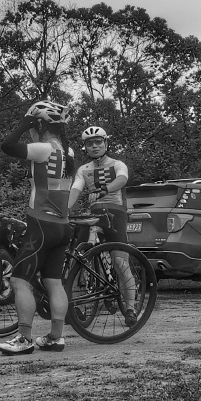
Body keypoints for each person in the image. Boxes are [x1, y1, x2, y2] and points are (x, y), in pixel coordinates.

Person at [0, 101, 76, 355]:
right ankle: (55, 337)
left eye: (34, 126)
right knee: (54, 282)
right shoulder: (69, 151)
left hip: (41, 224)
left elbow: (7, 146)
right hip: (62, 225)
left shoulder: (43, 149)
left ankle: (24, 338)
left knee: (20, 281)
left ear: (39, 125)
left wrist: (24, 124)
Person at [66, 126, 138, 327]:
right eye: (90, 143)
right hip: (94, 215)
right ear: (85, 147)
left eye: (98, 142)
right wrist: (64, 209)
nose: (95, 146)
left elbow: (122, 179)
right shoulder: (83, 170)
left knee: (120, 262)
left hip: (115, 214)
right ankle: (77, 306)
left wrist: (105, 190)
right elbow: (75, 189)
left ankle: (130, 309)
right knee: (76, 260)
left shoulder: (117, 164)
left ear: (106, 143)